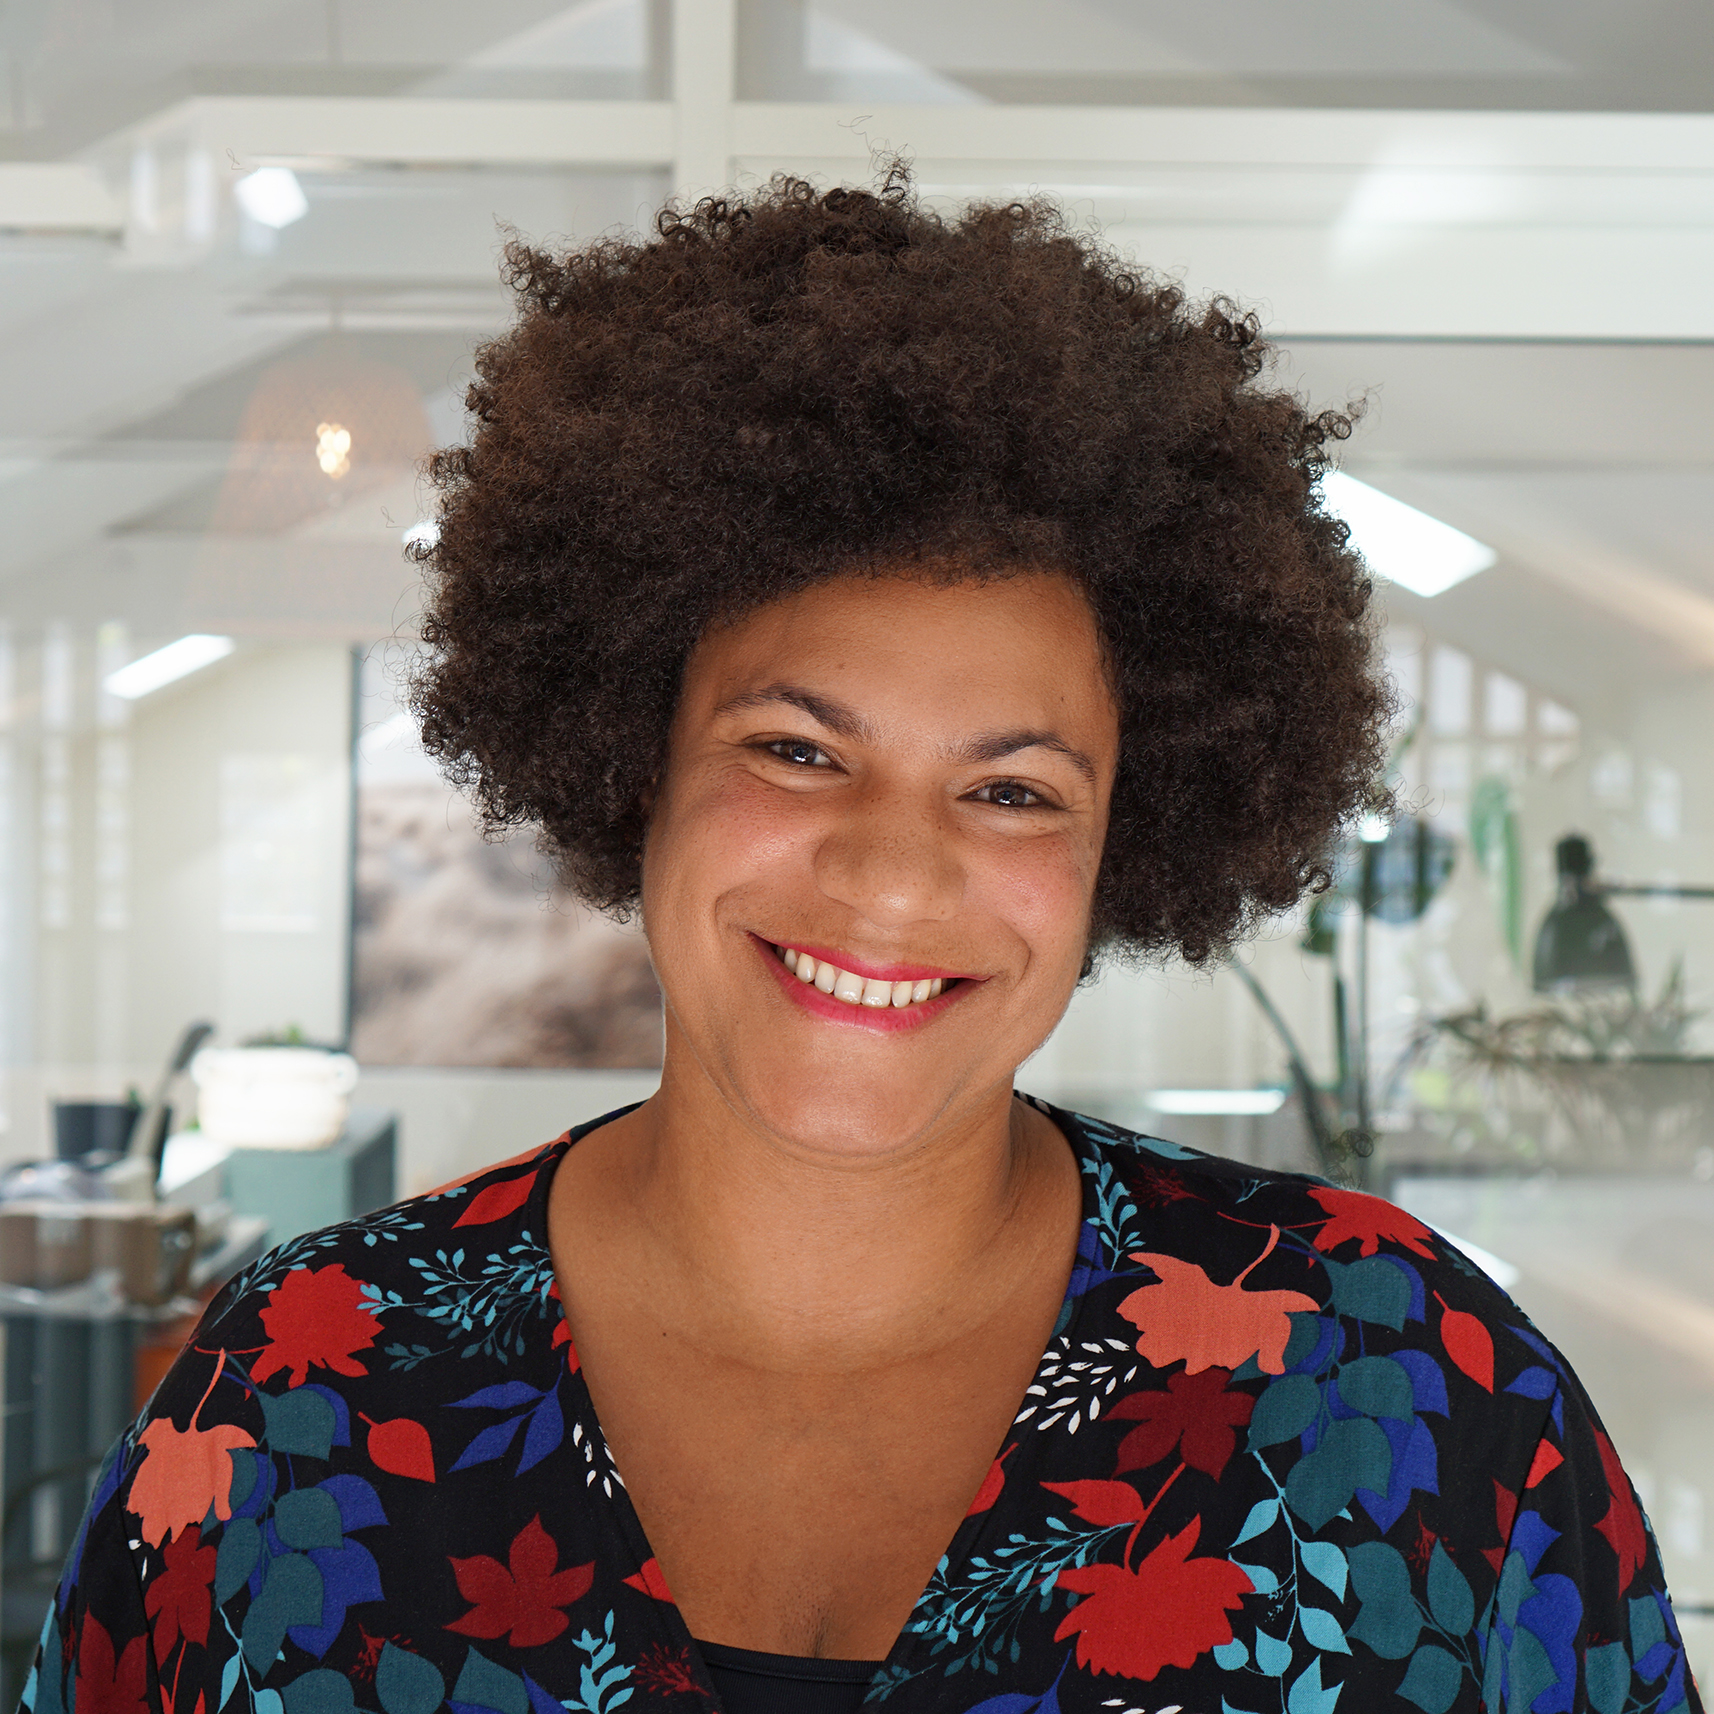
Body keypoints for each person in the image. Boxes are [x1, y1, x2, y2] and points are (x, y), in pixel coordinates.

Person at [25, 170, 1701, 1714]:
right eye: (796, 747)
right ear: (636, 758)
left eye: (1013, 788)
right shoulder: (295, 1388)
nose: (893, 873)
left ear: (1127, 839)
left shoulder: (1405, 1382)